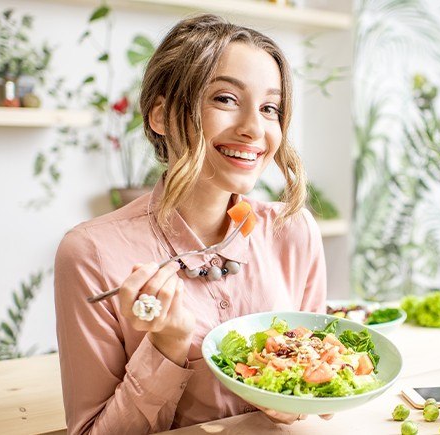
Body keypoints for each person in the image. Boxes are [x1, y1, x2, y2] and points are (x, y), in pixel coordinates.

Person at [54, 14, 328, 434]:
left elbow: (319, 380)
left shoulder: (293, 231)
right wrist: (165, 346)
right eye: (225, 99)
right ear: (161, 116)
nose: (254, 128)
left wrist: (295, 394)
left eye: (270, 108)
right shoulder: (91, 254)